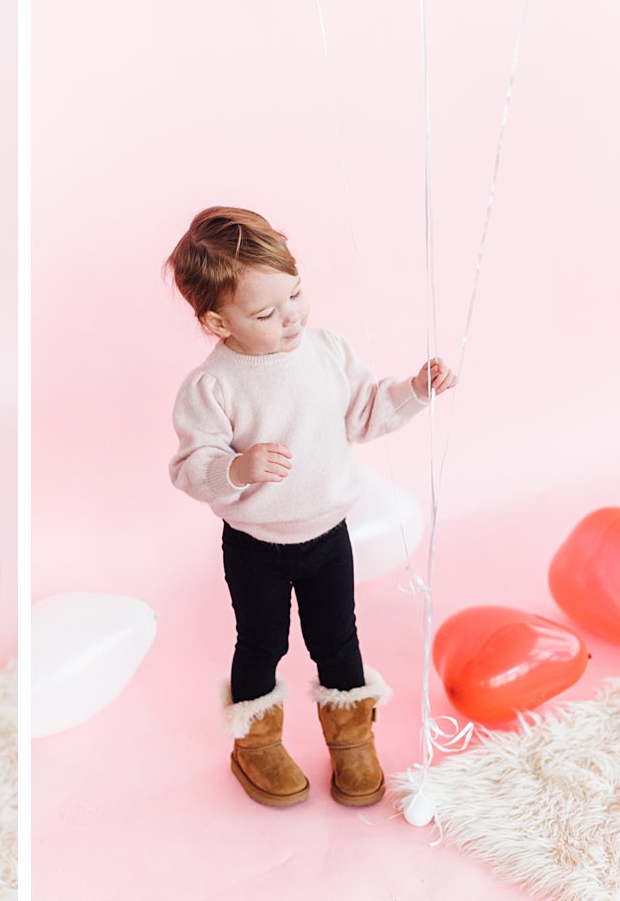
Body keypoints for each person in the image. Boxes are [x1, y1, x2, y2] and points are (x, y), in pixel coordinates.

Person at [166, 206, 455, 808]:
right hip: (256, 546)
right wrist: (234, 469)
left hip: (327, 537)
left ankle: (352, 739)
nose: (291, 316)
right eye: (267, 313)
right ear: (219, 323)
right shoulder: (213, 386)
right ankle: (254, 741)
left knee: (338, 641)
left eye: (295, 294)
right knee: (261, 644)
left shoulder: (327, 352)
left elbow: (365, 413)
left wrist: (414, 392)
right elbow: (191, 468)